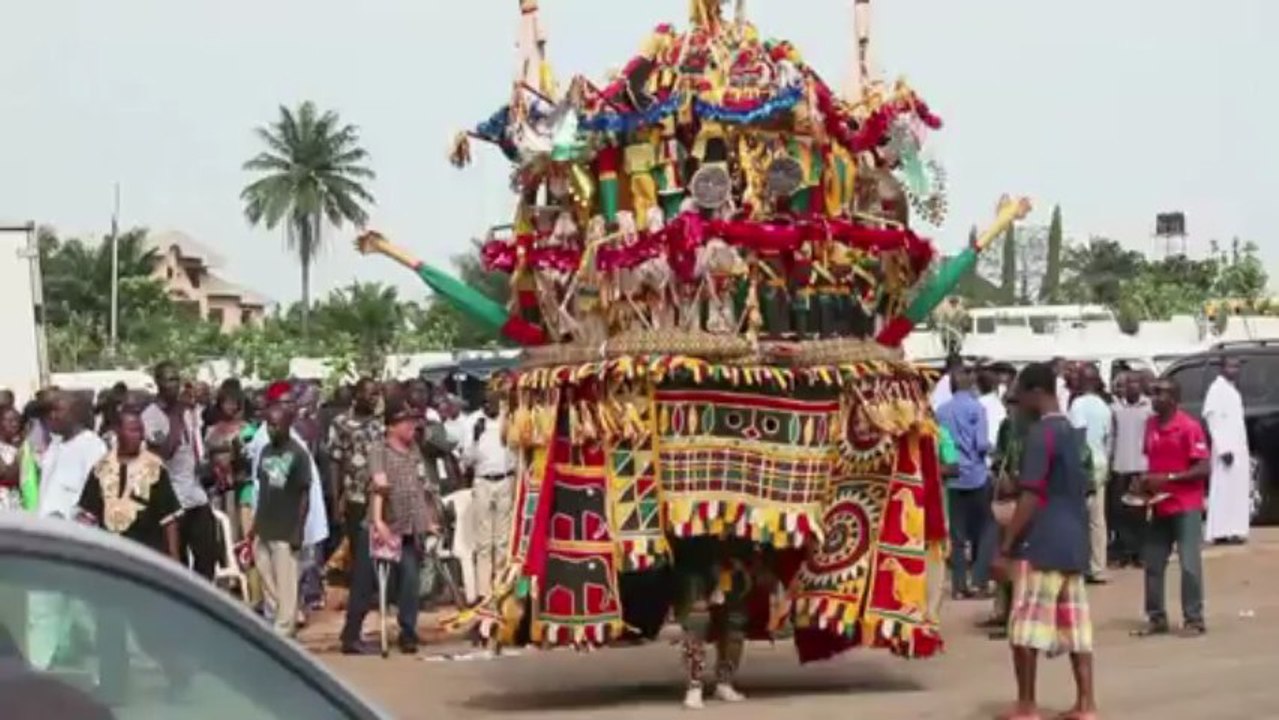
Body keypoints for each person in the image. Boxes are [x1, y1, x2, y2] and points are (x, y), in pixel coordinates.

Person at [993, 362, 1097, 720]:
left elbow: (1032, 496)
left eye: (1020, 397)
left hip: (1042, 543)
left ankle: (1026, 705)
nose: (1017, 405)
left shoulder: (1040, 435)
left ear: (1036, 394)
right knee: (1076, 627)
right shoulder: (1070, 430)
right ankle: (1086, 704)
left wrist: (1005, 546)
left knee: (1023, 628)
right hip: (1074, 541)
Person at [340, 396, 438, 655]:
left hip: (407, 529)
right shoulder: (379, 451)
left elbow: (420, 488)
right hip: (380, 527)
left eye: (412, 422)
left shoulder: (414, 450)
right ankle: (350, 636)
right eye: (404, 422)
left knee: (410, 580)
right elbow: (379, 488)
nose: (411, 427)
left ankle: (408, 632)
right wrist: (379, 522)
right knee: (364, 583)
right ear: (391, 426)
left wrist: (428, 520)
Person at [29, 391, 109, 671]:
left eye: (58, 411)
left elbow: (96, 498)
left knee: (84, 608)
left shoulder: (92, 447)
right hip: (48, 537)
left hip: (75, 538)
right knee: (42, 604)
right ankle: (39, 667)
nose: (52, 417)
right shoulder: (56, 447)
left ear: (75, 412)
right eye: (49, 412)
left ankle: (107, 668)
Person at [1133, 378, 1211, 638]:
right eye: (1153, 392)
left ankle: (1194, 619)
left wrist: (1168, 479)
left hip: (1185, 504)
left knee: (1189, 563)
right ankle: (1156, 617)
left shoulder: (1189, 427)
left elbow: (1203, 467)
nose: (1153, 398)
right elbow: (1152, 460)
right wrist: (1143, 482)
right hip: (1159, 503)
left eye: (1160, 393)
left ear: (1174, 399)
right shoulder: (1150, 425)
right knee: (1153, 563)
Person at [142, 362, 218, 579]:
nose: (175, 385)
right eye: (169, 380)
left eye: (177, 379)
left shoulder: (187, 411)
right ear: (158, 383)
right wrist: (175, 415)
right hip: (172, 501)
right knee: (178, 563)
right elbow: (165, 451)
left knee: (207, 556)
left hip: (196, 495)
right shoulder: (151, 416)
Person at [250, 404, 313, 638]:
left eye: (276, 425)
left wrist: (299, 529)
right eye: (269, 425)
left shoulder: (298, 454)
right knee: (267, 579)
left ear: (288, 425)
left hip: (286, 528)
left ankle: (284, 630)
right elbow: (262, 489)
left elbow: (305, 495)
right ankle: (277, 619)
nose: (271, 430)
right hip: (264, 526)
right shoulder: (265, 450)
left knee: (286, 583)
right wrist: (255, 524)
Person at [935, 362, 992, 599]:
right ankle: (978, 581)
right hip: (977, 476)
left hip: (953, 477)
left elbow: (941, 445)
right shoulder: (977, 409)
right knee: (983, 530)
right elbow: (980, 445)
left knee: (957, 537)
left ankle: (959, 586)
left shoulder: (941, 411)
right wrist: (992, 448)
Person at [325, 379, 384, 582]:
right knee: (358, 546)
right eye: (370, 394)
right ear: (358, 394)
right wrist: (335, 499)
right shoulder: (341, 423)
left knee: (382, 546)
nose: (375, 398)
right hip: (354, 495)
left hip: (380, 494)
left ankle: (380, 589)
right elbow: (335, 461)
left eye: (377, 394)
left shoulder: (382, 424)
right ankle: (362, 592)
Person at [462, 390, 516, 600]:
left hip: (505, 480)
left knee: (502, 541)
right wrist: (476, 437)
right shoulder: (473, 422)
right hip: (483, 481)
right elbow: (466, 460)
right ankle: (483, 593)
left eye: (493, 402)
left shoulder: (509, 419)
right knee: (483, 543)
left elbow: (515, 451)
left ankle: (500, 588)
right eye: (485, 402)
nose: (489, 406)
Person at [1068, 365, 1113, 584]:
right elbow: (1108, 440)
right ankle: (1098, 566)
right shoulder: (1104, 406)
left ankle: (1080, 565)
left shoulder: (1077, 405)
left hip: (1084, 464)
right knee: (1097, 520)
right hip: (1101, 463)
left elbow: (1078, 438)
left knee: (1079, 517)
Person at [1202, 356, 1251, 544]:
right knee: (1223, 490)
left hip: (1237, 446)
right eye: (1231, 366)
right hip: (1226, 449)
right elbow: (1212, 418)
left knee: (1235, 490)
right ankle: (1220, 531)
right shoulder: (1217, 389)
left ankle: (1233, 530)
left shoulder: (1231, 390)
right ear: (1222, 368)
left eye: (1237, 367)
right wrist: (1223, 448)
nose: (1235, 370)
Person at [1109, 372, 1152, 567]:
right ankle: (1125, 551)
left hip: (1141, 466)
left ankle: (1141, 552)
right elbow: (1112, 437)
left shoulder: (1149, 408)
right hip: (1121, 466)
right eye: (1128, 384)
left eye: (1135, 383)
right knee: (1122, 512)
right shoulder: (1116, 409)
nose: (1132, 387)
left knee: (1140, 512)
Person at [203, 385, 251, 539]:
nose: (231, 406)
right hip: (216, 487)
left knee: (236, 526)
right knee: (219, 527)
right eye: (227, 402)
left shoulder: (245, 428)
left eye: (234, 403)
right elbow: (205, 455)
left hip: (238, 486)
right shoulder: (211, 429)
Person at [978, 367, 1007, 450]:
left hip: (986, 447)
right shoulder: (1001, 401)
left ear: (979, 385)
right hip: (1000, 445)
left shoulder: (978, 404)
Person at [0, 407, 22, 510]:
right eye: (10, 421)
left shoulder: (19, 447)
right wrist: (21, 457)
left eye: (17, 420)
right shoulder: (21, 449)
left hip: (15, 502)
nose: (15, 424)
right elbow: (7, 476)